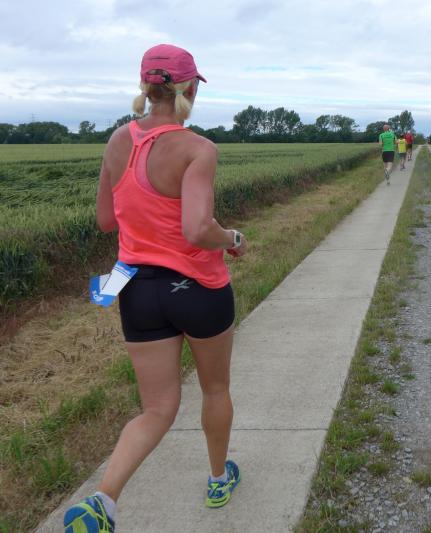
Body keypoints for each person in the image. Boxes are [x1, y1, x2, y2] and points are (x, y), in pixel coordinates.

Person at [63, 44, 246, 533]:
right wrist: (233, 239)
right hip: (198, 288)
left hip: (138, 291)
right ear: (189, 90)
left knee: (157, 409)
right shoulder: (198, 149)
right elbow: (197, 229)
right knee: (215, 388)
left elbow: (106, 220)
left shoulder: (117, 141)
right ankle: (218, 479)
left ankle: (103, 500)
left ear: (146, 86)